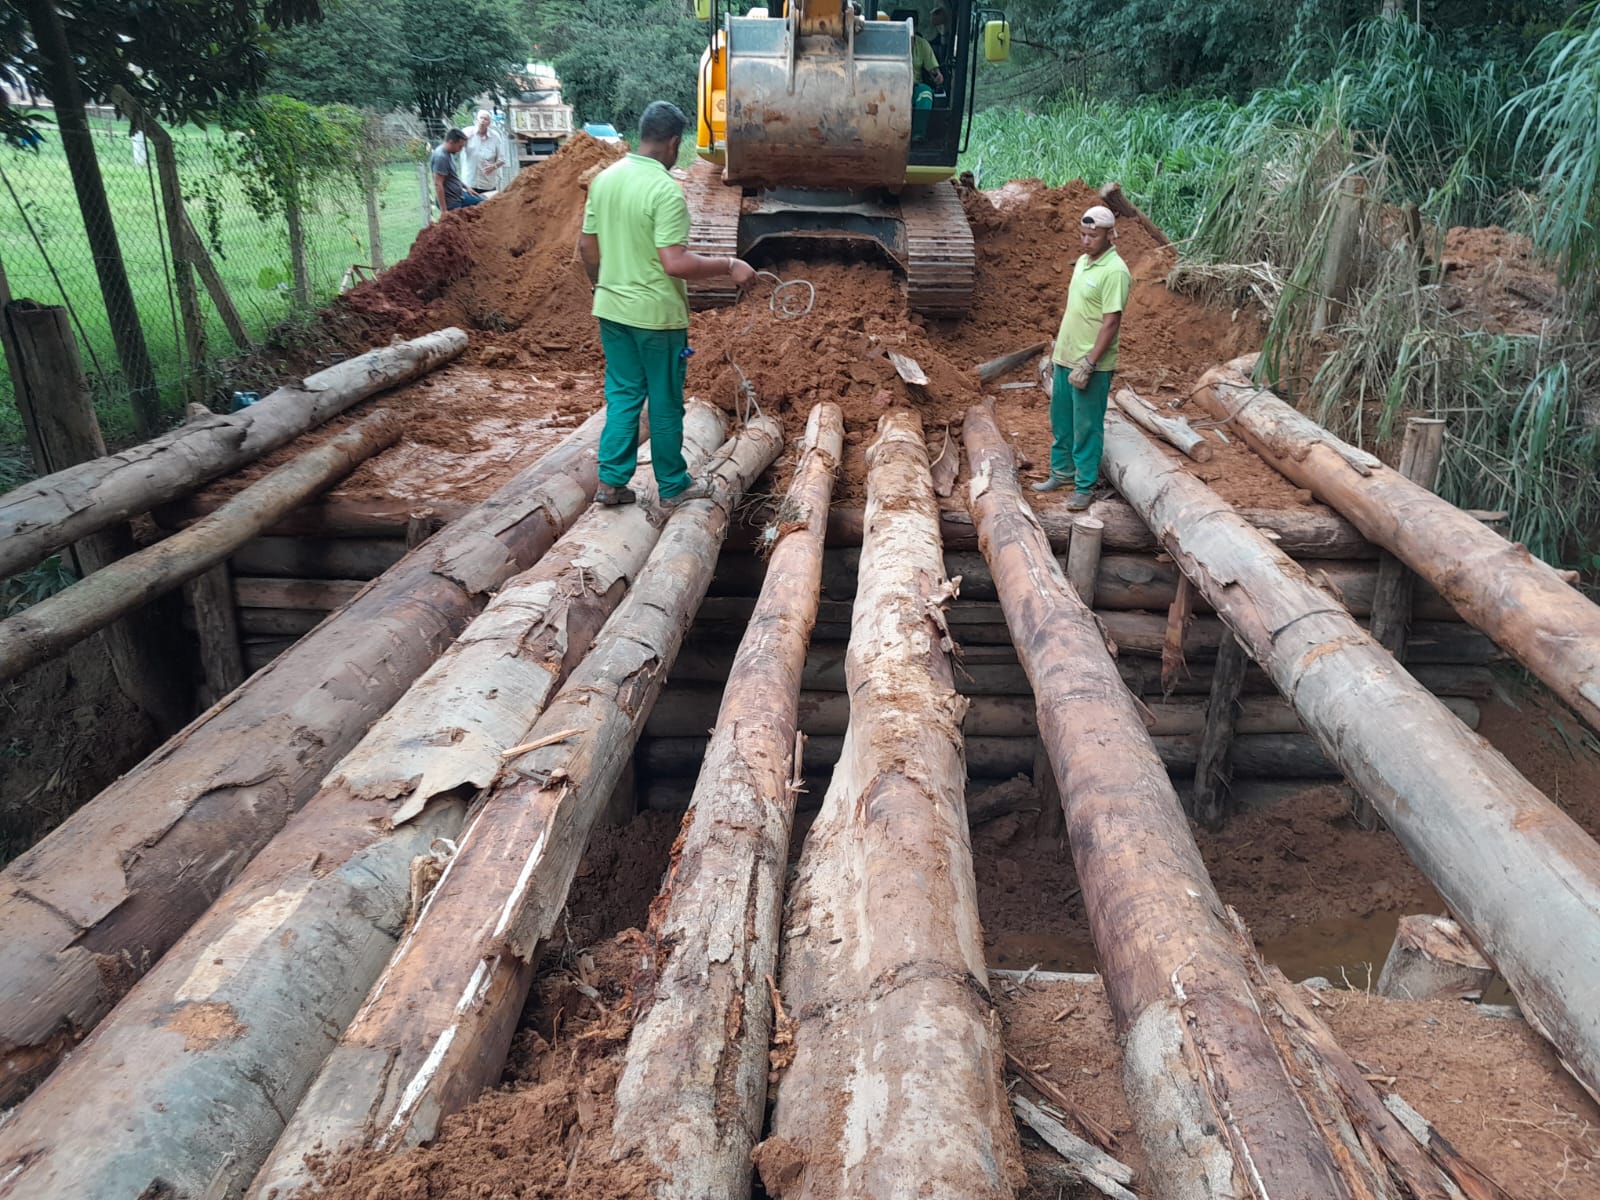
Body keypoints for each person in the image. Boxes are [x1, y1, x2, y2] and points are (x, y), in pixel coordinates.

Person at [577, 100, 756, 508]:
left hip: (611, 309)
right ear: (675, 142)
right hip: (656, 317)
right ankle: (673, 485)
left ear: (644, 135)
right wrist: (730, 264)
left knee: (622, 395)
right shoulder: (665, 192)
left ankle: (610, 483)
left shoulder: (604, 180)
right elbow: (674, 263)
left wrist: (600, 286)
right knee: (664, 399)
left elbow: (587, 246)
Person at [1035, 205, 1132, 511]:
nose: (1087, 240)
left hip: (1090, 365)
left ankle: (1084, 485)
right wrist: (1057, 353)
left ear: (1110, 234)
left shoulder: (1115, 271)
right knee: (1061, 420)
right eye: (1083, 234)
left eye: (1094, 235)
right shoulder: (1082, 263)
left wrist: (1089, 363)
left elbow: (1111, 322)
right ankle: (1062, 473)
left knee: (1086, 426)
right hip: (1065, 358)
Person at [430, 129, 482, 216]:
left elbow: (452, 176)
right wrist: (444, 210)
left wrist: (467, 187)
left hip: (460, 195)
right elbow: (438, 184)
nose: (461, 150)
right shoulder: (441, 157)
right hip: (451, 203)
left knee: (484, 203)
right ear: (451, 142)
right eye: (460, 146)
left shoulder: (449, 153)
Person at [462, 109, 505, 193]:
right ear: (476, 120)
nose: (482, 121)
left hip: (488, 184)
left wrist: (494, 166)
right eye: (481, 118)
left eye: (485, 119)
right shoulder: (467, 132)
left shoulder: (495, 137)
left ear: (489, 123)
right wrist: (465, 139)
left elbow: (502, 159)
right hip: (469, 183)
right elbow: (455, 148)